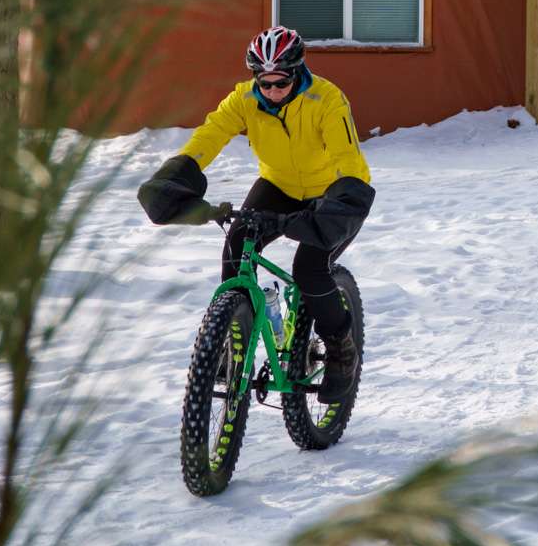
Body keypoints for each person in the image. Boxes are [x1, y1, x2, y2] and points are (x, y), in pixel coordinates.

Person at [138, 25, 375, 402]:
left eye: (281, 83)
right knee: (236, 244)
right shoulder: (245, 100)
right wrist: (176, 176)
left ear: (297, 73)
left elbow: (349, 161)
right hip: (278, 186)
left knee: (309, 270)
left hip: (330, 194)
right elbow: (209, 136)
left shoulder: (327, 100)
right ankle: (234, 342)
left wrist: (341, 203)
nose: (273, 92)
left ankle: (342, 352)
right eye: (265, 83)